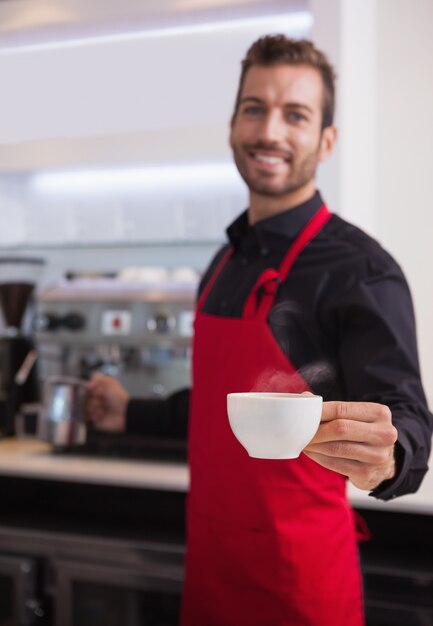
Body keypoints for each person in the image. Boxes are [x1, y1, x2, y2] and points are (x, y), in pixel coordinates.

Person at [86, 35, 432, 626]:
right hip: (212, 577)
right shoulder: (222, 264)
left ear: (326, 140)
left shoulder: (359, 269)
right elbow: (226, 408)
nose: (270, 131)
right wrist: (130, 414)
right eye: (254, 108)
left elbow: (408, 422)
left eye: (294, 114)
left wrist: (388, 455)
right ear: (232, 124)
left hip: (301, 589)